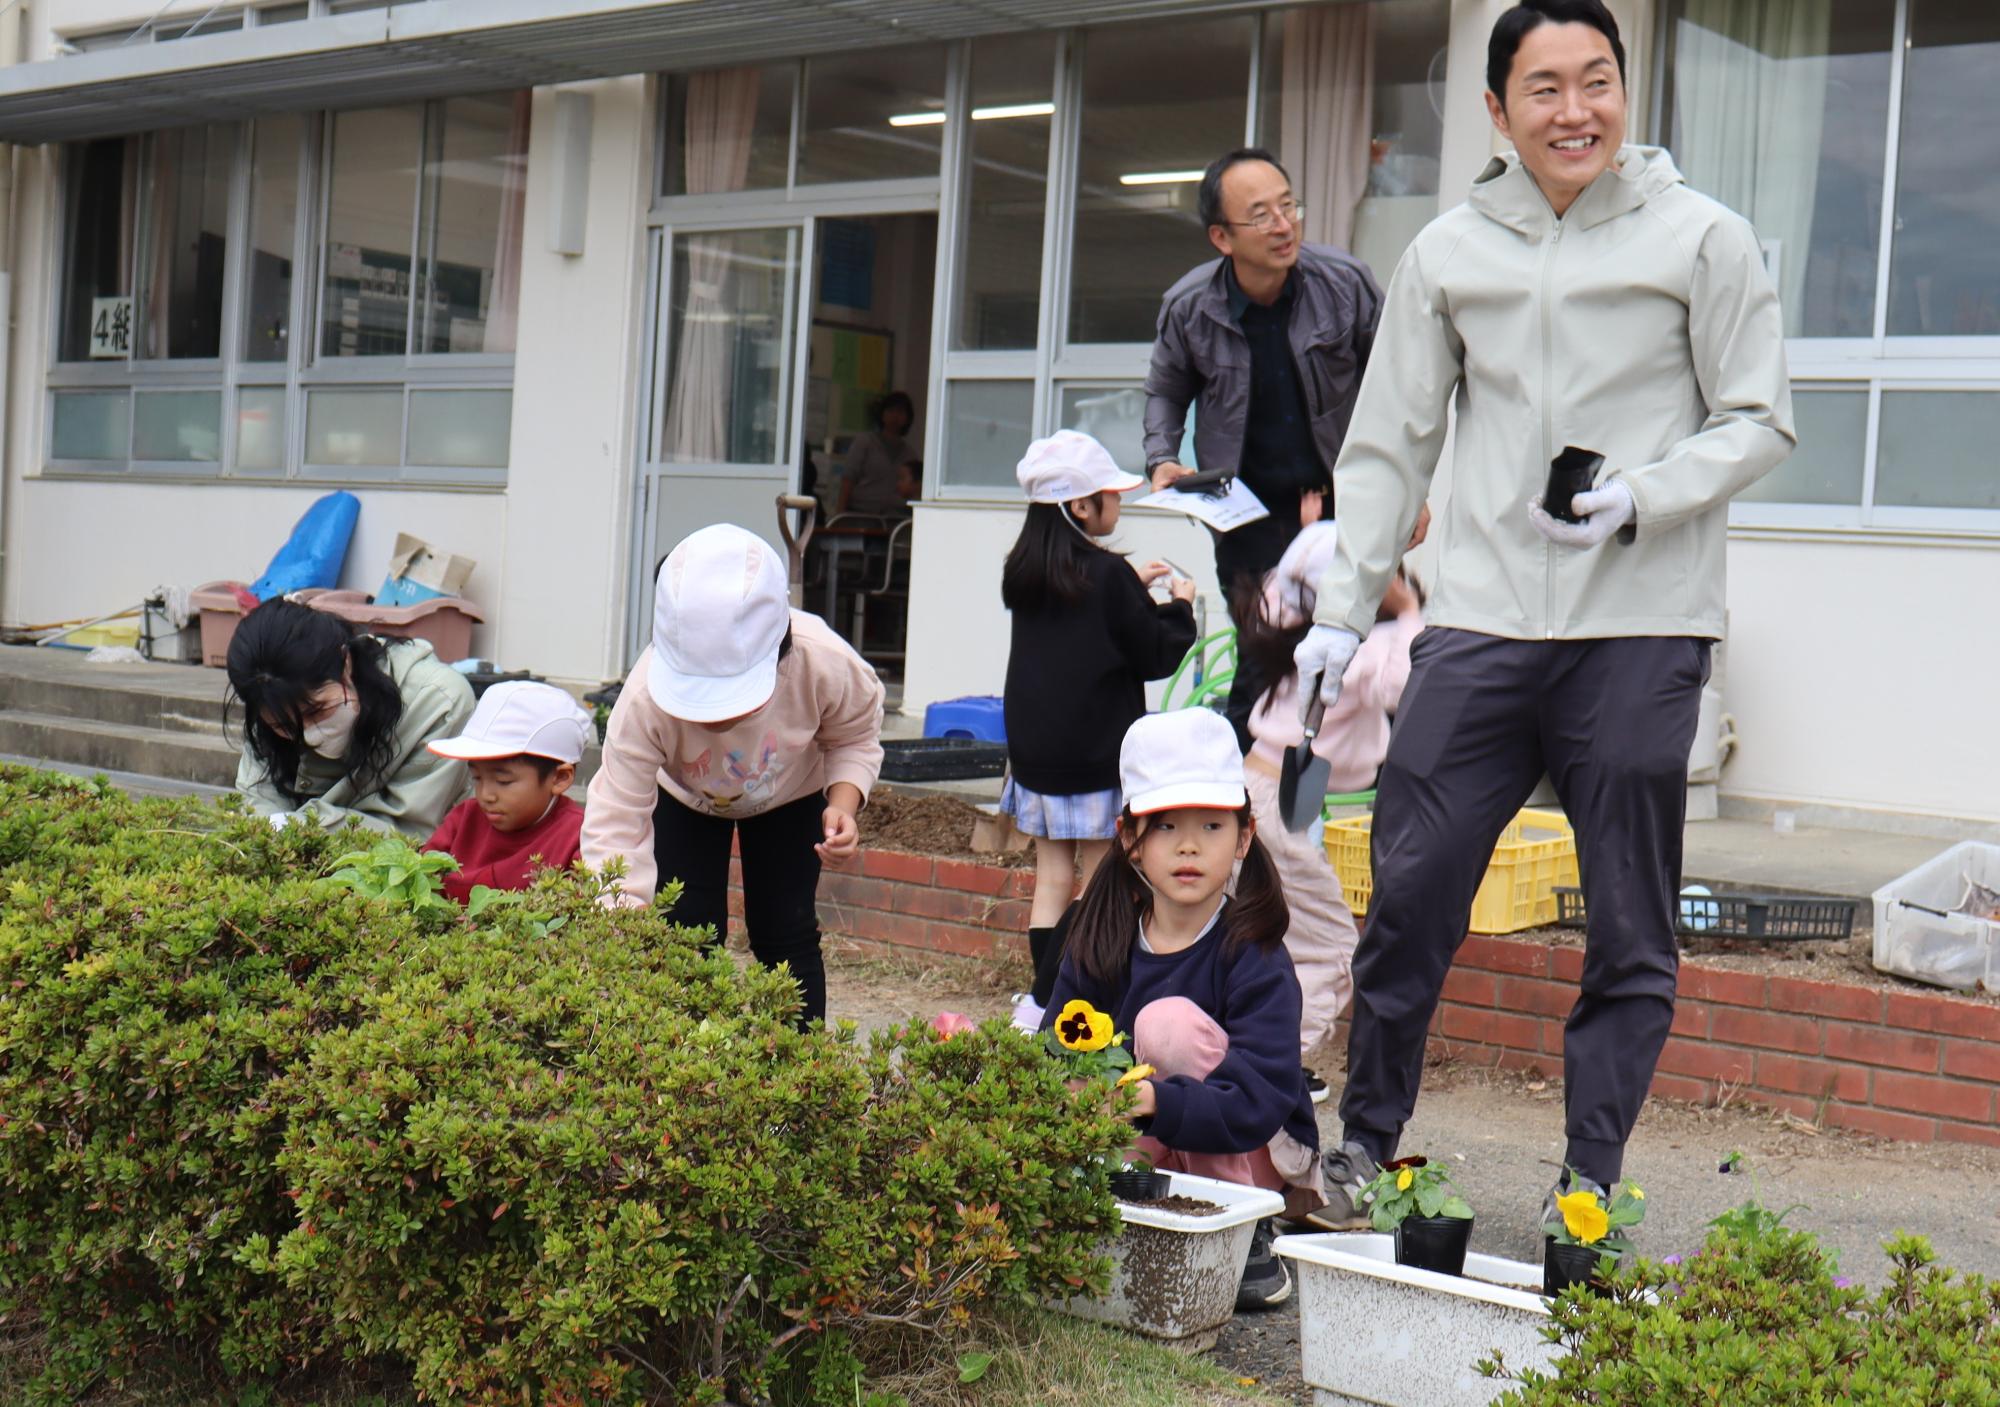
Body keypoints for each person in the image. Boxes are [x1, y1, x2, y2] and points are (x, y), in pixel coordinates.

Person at [1292, 0, 1795, 1229]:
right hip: (1480, 626)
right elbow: (1387, 443)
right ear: (1496, 109)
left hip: (1640, 627)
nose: (1575, 111)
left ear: (1625, 92)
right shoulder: (1452, 250)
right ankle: (1363, 1140)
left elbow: (1757, 417)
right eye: (1544, 89)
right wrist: (1340, 611)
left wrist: (1640, 496)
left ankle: (1588, 1178)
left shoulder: (1700, 238)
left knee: (1627, 926)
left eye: (1597, 82)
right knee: (1409, 893)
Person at [1042, 707, 1319, 1313]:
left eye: (1212, 826)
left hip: (1254, 1142)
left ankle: (1240, 1232)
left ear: (1244, 835)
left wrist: (1153, 1102)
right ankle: (1173, 1222)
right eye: (1165, 825)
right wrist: (1076, 1095)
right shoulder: (1103, 932)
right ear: (1129, 838)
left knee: (1163, 1023)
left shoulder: (1254, 951)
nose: (1189, 845)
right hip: (1152, 1122)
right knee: (1092, 1192)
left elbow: (1262, 1095)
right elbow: (1055, 1042)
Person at [1142, 147, 1417, 751]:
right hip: (1247, 516)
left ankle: (1396, 811)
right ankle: (1245, 818)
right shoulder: (1190, 307)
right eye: (1260, 214)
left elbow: (1398, 384)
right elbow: (1166, 390)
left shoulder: (1343, 284)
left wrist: (1409, 490)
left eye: (1288, 206)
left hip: (1348, 503)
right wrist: (1162, 456)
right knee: (1265, 662)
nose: (1283, 224)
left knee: (1384, 649)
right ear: (1221, 236)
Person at [581, 523, 885, 1027]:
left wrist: (844, 802)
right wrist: (619, 917)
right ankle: (686, 1060)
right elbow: (616, 814)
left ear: (776, 654)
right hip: (684, 799)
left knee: (785, 931)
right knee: (685, 930)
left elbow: (854, 734)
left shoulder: (823, 661)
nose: (715, 720)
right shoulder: (641, 701)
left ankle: (798, 1073)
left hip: (791, 794)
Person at [999, 430, 1198, 1032]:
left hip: (1035, 751)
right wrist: (1180, 605)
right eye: (1110, 493)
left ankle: (1039, 1003)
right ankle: (1052, 1002)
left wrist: (1130, 588)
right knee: (1105, 882)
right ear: (1080, 506)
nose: (1117, 503)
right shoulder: (1106, 577)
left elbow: (1081, 628)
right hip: (1094, 754)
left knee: (1054, 877)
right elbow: (1153, 653)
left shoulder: (1025, 571)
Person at [1234, 523, 1423, 1103]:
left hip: (1259, 788)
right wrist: (1409, 606)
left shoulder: (1285, 619)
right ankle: (1271, 1067)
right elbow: (1411, 680)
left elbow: (1301, 566)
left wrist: (1335, 536)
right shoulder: (1356, 654)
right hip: (1284, 810)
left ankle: (1248, 1052)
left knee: (1273, 935)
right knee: (1336, 950)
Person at [226, 598, 475, 840]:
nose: (310, 737)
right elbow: (258, 805)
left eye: (317, 711)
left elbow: (410, 833)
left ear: (345, 661)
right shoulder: (268, 700)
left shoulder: (438, 702)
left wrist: (294, 828)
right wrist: (273, 832)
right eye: (284, 727)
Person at [420, 680, 596, 903]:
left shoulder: (578, 838)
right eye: (477, 778)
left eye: (503, 781)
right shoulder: (464, 819)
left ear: (560, 778)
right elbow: (422, 882)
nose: (486, 795)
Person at [838, 391, 916, 518]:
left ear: (907, 418)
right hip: (860, 514)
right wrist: (840, 514)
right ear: (882, 414)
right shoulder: (865, 442)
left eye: (900, 412)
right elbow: (848, 479)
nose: (895, 416)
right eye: (890, 410)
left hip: (893, 518)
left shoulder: (910, 454)